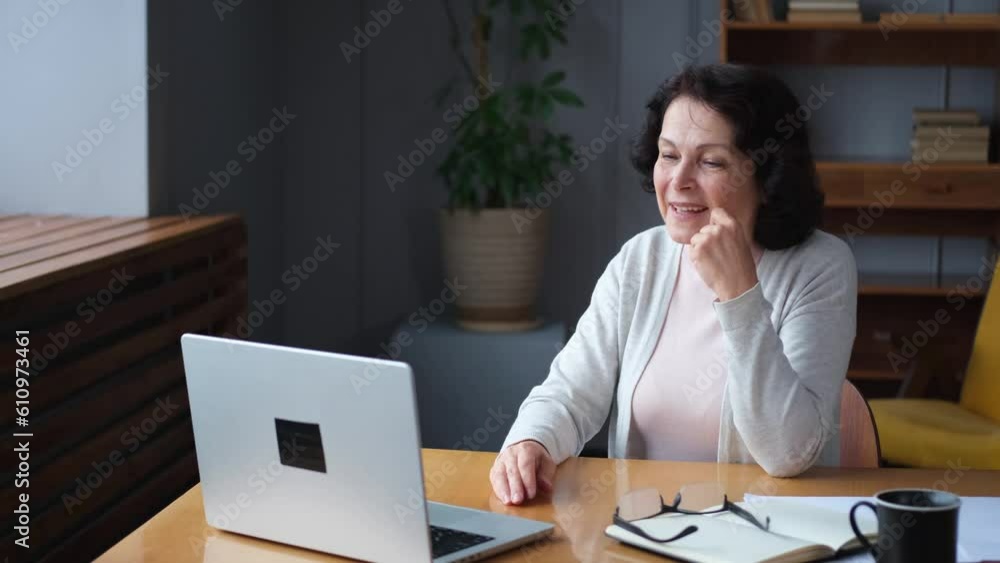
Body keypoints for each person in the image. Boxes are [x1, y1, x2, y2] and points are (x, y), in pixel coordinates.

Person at [489, 63, 857, 506]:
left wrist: (739, 293)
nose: (678, 181)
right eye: (668, 155)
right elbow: (570, 394)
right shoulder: (640, 260)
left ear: (767, 176)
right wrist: (532, 441)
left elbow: (788, 453)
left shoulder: (820, 266)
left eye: (710, 161)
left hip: (768, 540)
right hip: (644, 535)